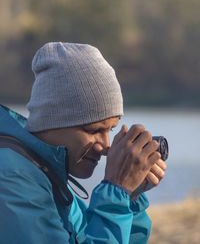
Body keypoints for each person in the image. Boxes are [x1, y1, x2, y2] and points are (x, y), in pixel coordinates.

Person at [0, 42, 166, 244]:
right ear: (52, 121)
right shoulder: (12, 178)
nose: (106, 147)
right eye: (94, 130)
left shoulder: (49, 176)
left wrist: (128, 198)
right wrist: (115, 190)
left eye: (110, 130)